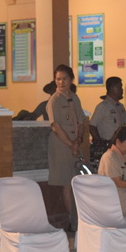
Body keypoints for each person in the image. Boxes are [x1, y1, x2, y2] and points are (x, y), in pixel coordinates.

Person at [46, 64, 85, 230]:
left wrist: (78, 140)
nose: (61, 82)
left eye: (64, 79)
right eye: (58, 79)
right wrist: (71, 144)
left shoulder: (74, 98)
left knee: (77, 182)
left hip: (75, 144)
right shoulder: (54, 100)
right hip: (61, 145)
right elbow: (56, 127)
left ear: (71, 80)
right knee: (67, 183)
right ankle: (73, 222)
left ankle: (80, 219)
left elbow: (81, 122)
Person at [90, 76, 126, 167]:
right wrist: (100, 143)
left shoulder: (120, 106)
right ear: (112, 88)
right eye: (119, 87)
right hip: (108, 145)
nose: (122, 90)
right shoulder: (103, 106)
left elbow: (125, 121)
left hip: (120, 146)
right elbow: (91, 126)